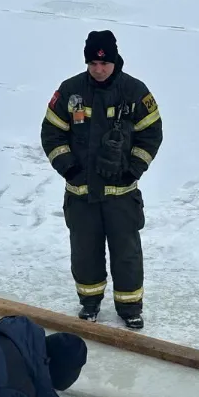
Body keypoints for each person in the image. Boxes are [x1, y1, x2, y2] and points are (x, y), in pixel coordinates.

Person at [41, 30, 163, 329]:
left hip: (121, 195)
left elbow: (152, 133)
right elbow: (51, 132)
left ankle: (129, 307)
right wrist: (68, 168)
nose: (98, 69)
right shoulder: (70, 91)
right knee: (85, 252)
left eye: (104, 63)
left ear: (114, 60)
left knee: (126, 254)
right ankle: (90, 302)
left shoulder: (134, 92)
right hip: (81, 194)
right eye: (93, 64)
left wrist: (133, 168)